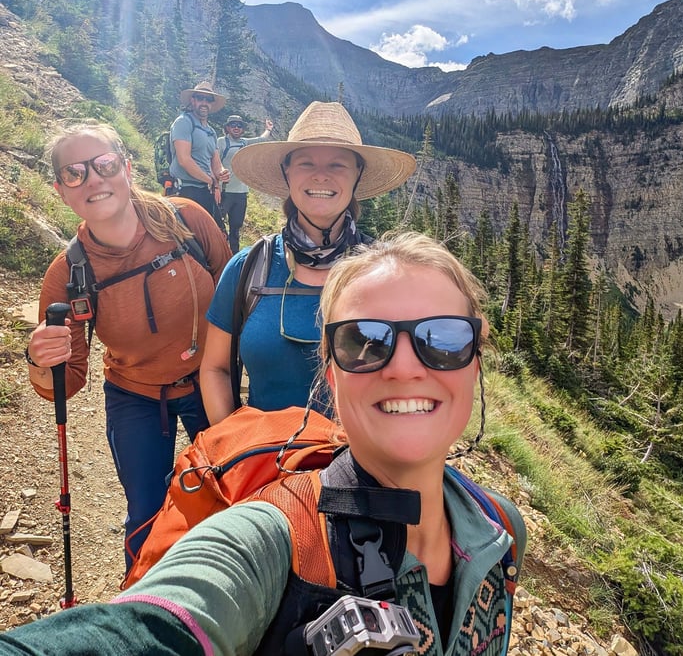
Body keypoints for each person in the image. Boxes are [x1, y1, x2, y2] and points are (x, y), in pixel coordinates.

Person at [0, 232, 526, 656]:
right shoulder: (271, 539)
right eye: (363, 341)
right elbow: (149, 628)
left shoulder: (501, 527)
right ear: (331, 372)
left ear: (476, 358)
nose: (406, 367)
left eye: (444, 339)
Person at [24, 122, 232, 571]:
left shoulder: (186, 221)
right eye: (75, 173)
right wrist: (41, 360)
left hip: (209, 384)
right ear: (61, 190)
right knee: (146, 514)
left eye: (104, 165)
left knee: (228, 498)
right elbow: (64, 382)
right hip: (135, 395)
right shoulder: (68, 273)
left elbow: (233, 291)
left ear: (127, 169)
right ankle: (143, 604)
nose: (94, 180)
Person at [200, 100, 416, 425]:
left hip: (361, 470)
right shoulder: (248, 268)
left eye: (338, 165)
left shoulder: (385, 272)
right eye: (305, 163)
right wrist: (232, 451)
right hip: (263, 468)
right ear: (287, 172)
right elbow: (215, 368)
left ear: (358, 175)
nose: (320, 176)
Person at [170, 81, 230, 225]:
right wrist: (210, 180)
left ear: (212, 104)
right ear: (193, 100)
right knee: (189, 240)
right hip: (184, 189)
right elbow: (184, 160)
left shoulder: (211, 131)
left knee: (215, 235)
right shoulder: (183, 122)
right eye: (200, 98)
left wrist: (221, 172)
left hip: (204, 190)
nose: (204, 102)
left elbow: (215, 162)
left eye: (208, 99)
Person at [217, 113, 274, 254]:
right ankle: (219, 253)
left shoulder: (244, 142)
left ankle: (234, 256)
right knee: (219, 225)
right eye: (233, 125)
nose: (236, 128)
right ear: (227, 128)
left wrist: (269, 129)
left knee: (236, 227)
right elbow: (214, 162)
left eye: (239, 125)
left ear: (243, 129)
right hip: (224, 191)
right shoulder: (221, 142)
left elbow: (261, 139)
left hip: (241, 193)